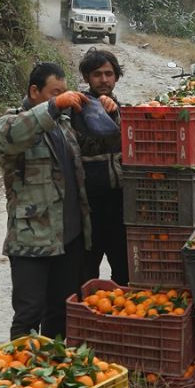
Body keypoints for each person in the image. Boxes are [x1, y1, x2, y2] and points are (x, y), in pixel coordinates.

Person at [0, 62, 92, 340]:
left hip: (67, 238)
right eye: (54, 93)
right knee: (28, 315)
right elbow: (12, 136)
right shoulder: (12, 123)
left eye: (63, 92)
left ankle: (54, 371)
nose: (60, 98)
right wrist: (54, 106)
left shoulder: (63, 124)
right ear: (34, 91)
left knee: (61, 312)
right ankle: (24, 376)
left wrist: (107, 105)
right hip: (32, 240)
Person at [73, 49, 128, 286]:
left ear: (116, 77)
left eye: (109, 74)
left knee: (124, 271)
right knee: (85, 272)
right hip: (88, 206)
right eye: (97, 74)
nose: (104, 80)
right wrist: (99, 113)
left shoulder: (124, 110)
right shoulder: (75, 110)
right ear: (86, 77)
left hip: (120, 203)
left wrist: (115, 114)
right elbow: (85, 144)